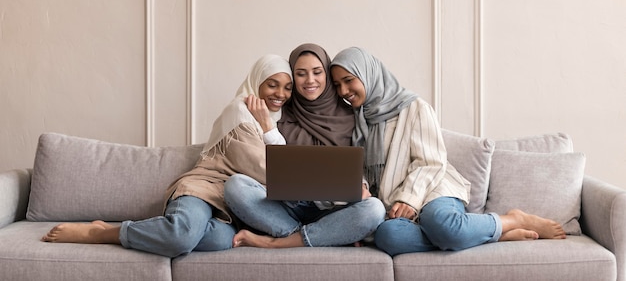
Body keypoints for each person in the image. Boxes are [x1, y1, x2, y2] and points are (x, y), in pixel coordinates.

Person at [41, 54, 293, 257]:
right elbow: (270, 171)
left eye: (287, 88)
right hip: (204, 191)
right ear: (256, 82)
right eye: (272, 84)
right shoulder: (240, 111)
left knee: (220, 240)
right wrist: (269, 130)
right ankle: (101, 234)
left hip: (228, 209)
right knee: (181, 236)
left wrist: (270, 127)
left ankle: (147, 229)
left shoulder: (270, 119)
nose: (280, 94)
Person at [330, 46, 566, 256]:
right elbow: (357, 169)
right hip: (396, 207)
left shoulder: (414, 108)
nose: (343, 91)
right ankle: (485, 236)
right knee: (388, 237)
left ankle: (513, 219)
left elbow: (431, 161)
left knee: (441, 224)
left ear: (369, 75)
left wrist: (409, 199)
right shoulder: (356, 122)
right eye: (338, 85)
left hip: (434, 188)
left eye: (349, 80)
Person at [223, 43, 386, 249]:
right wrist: (267, 125)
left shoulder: (350, 116)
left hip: (333, 209)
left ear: (326, 74)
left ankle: (277, 242)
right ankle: (322, 235)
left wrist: (360, 185)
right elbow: (272, 168)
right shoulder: (278, 111)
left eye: (317, 72)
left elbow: (361, 163)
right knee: (235, 186)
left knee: (374, 209)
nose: (310, 80)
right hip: (288, 207)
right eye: (300, 74)